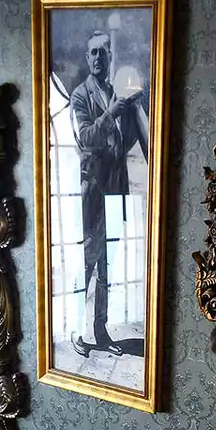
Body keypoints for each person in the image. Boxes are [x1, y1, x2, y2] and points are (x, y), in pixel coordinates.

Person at [69, 30, 149, 359]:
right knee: (88, 263)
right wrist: (112, 112)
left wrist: (132, 109)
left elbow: (130, 141)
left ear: (110, 56)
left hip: (117, 191)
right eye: (93, 53)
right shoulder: (79, 96)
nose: (98, 57)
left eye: (103, 52)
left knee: (107, 266)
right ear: (87, 59)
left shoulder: (120, 95)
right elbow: (86, 137)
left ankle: (99, 331)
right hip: (93, 193)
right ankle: (76, 330)